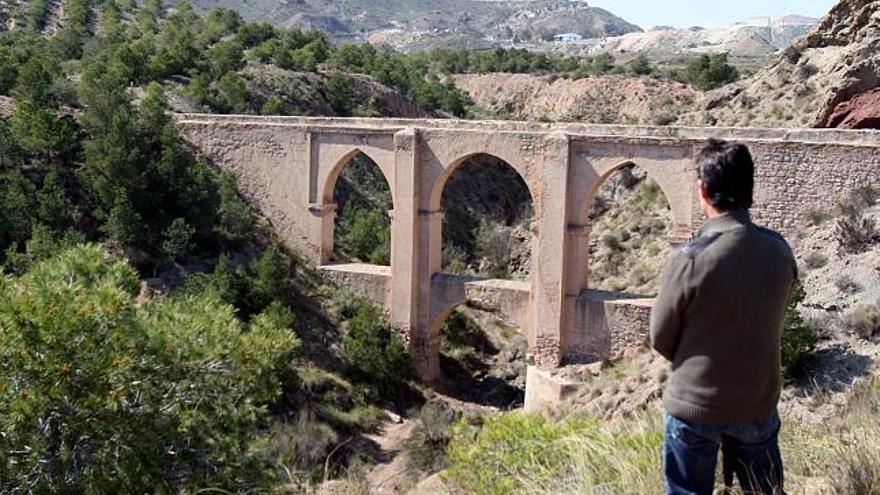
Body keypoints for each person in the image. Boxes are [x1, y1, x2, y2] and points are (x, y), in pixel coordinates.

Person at [650, 139, 797, 495]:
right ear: (749, 189)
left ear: (703, 190)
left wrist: (697, 361)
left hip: (695, 405)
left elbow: (660, 336)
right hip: (757, 403)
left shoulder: (691, 258)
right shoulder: (778, 249)